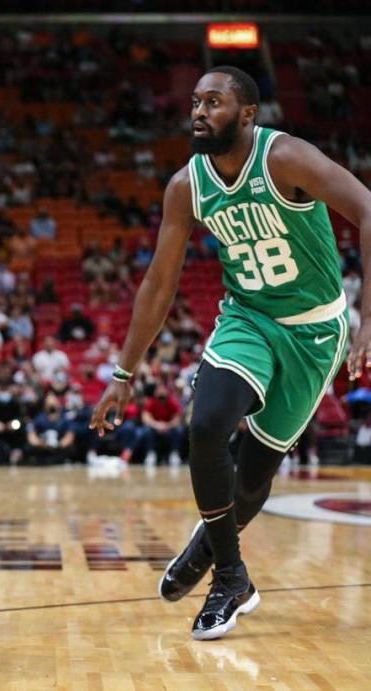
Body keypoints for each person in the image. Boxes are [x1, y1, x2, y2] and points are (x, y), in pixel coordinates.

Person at [90, 66, 371, 641]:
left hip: (313, 330)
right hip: (247, 316)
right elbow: (159, 284)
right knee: (211, 421)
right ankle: (231, 576)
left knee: (252, 478)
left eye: (213, 102)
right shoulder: (185, 187)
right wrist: (124, 372)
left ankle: (204, 548)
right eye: (194, 101)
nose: (198, 111)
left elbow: (369, 210)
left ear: (248, 114)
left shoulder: (286, 158)